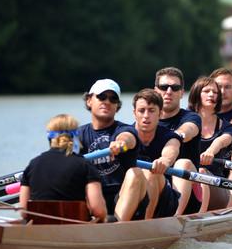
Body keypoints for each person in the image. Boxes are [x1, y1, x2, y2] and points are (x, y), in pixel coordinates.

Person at [77, 78, 145, 222]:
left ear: (117, 106)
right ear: (89, 100)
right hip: (92, 195)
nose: (107, 101)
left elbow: (129, 139)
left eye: (113, 99)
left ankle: (117, 227)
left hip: (121, 196)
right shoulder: (79, 134)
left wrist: (121, 143)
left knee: (136, 173)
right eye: (101, 96)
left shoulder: (124, 130)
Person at [19, 114, 108, 223]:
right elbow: (98, 210)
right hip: (75, 230)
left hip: (40, 228)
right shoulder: (85, 165)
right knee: (112, 219)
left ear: (49, 138)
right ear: (75, 137)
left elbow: (23, 211)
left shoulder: (32, 165)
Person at [153, 67, 200, 213]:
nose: (168, 91)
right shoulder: (145, 122)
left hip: (191, 195)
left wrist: (177, 136)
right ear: (155, 90)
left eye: (175, 88)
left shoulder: (191, 118)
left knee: (182, 163)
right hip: (158, 188)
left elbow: (188, 130)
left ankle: (175, 218)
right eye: (163, 87)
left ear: (181, 93)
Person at [131, 89, 183, 219]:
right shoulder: (125, 135)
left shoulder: (169, 136)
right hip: (132, 193)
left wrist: (165, 160)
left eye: (151, 110)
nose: (146, 115)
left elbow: (172, 149)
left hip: (164, 201)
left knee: (151, 172)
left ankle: (147, 224)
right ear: (134, 113)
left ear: (160, 113)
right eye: (142, 110)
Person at [188, 76, 232, 211]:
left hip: (217, 186)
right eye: (207, 91)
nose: (212, 95)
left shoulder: (227, 127)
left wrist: (211, 151)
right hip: (186, 181)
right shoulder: (184, 120)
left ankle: (199, 218)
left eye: (215, 92)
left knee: (201, 171)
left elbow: (222, 141)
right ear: (196, 94)